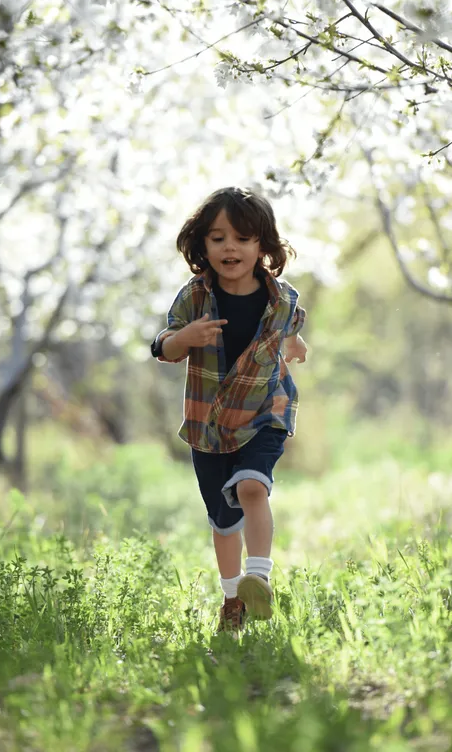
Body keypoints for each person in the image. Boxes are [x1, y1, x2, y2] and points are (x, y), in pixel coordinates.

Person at [150, 187, 307, 633]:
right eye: (218, 239)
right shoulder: (195, 298)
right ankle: (233, 597)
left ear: (263, 247)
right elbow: (162, 345)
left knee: (252, 487)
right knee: (223, 521)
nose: (230, 248)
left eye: (242, 238)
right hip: (211, 426)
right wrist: (184, 339)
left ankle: (259, 576)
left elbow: (291, 325)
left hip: (266, 411)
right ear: (202, 246)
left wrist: (295, 344)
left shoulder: (282, 298)